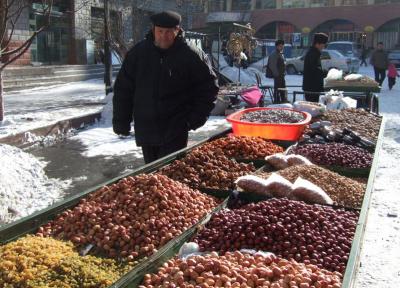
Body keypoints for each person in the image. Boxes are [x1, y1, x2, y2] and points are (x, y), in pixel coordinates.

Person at [113, 11, 219, 164]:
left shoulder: (190, 54)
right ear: (153, 30)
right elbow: (124, 89)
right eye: (160, 31)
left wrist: (194, 119)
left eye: (169, 32)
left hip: (176, 128)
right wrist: (121, 121)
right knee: (152, 175)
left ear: (177, 31)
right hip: (146, 128)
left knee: (170, 176)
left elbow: (209, 87)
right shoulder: (138, 54)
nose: (164, 36)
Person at [302, 33, 329, 103]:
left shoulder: (315, 53)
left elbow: (317, 68)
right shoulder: (312, 54)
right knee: (312, 107)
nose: (323, 47)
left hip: (313, 87)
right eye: (323, 45)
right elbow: (315, 70)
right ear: (317, 44)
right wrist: (326, 73)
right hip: (311, 88)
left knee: (313, 106)